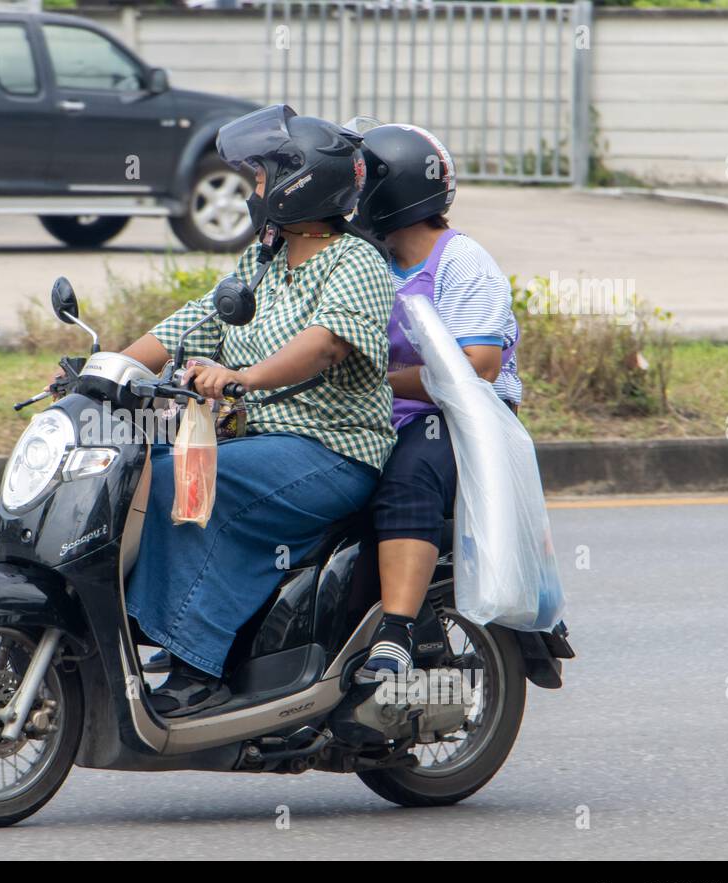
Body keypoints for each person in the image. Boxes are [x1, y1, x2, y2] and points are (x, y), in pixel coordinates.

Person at [118, 105, 397, 717]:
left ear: (302, 184)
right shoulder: (266, 260)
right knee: (137, 466)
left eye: (263, 178)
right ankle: (155, 626)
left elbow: (324, 343)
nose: (254, 192)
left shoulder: (357, 263)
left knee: (184, 482)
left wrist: (242, 378)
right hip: (266, 444)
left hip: (333, 451)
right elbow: (196, 321)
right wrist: (106, 370)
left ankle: (196, 666)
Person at [349, 123, 524, 682]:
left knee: (408, 473)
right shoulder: (368, 261)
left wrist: (376, 378)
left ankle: (397, 630)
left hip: (464, 420)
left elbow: (477, 367)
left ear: (386, 192)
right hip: (386, 412)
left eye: (356, 187)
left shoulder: (461, 260)